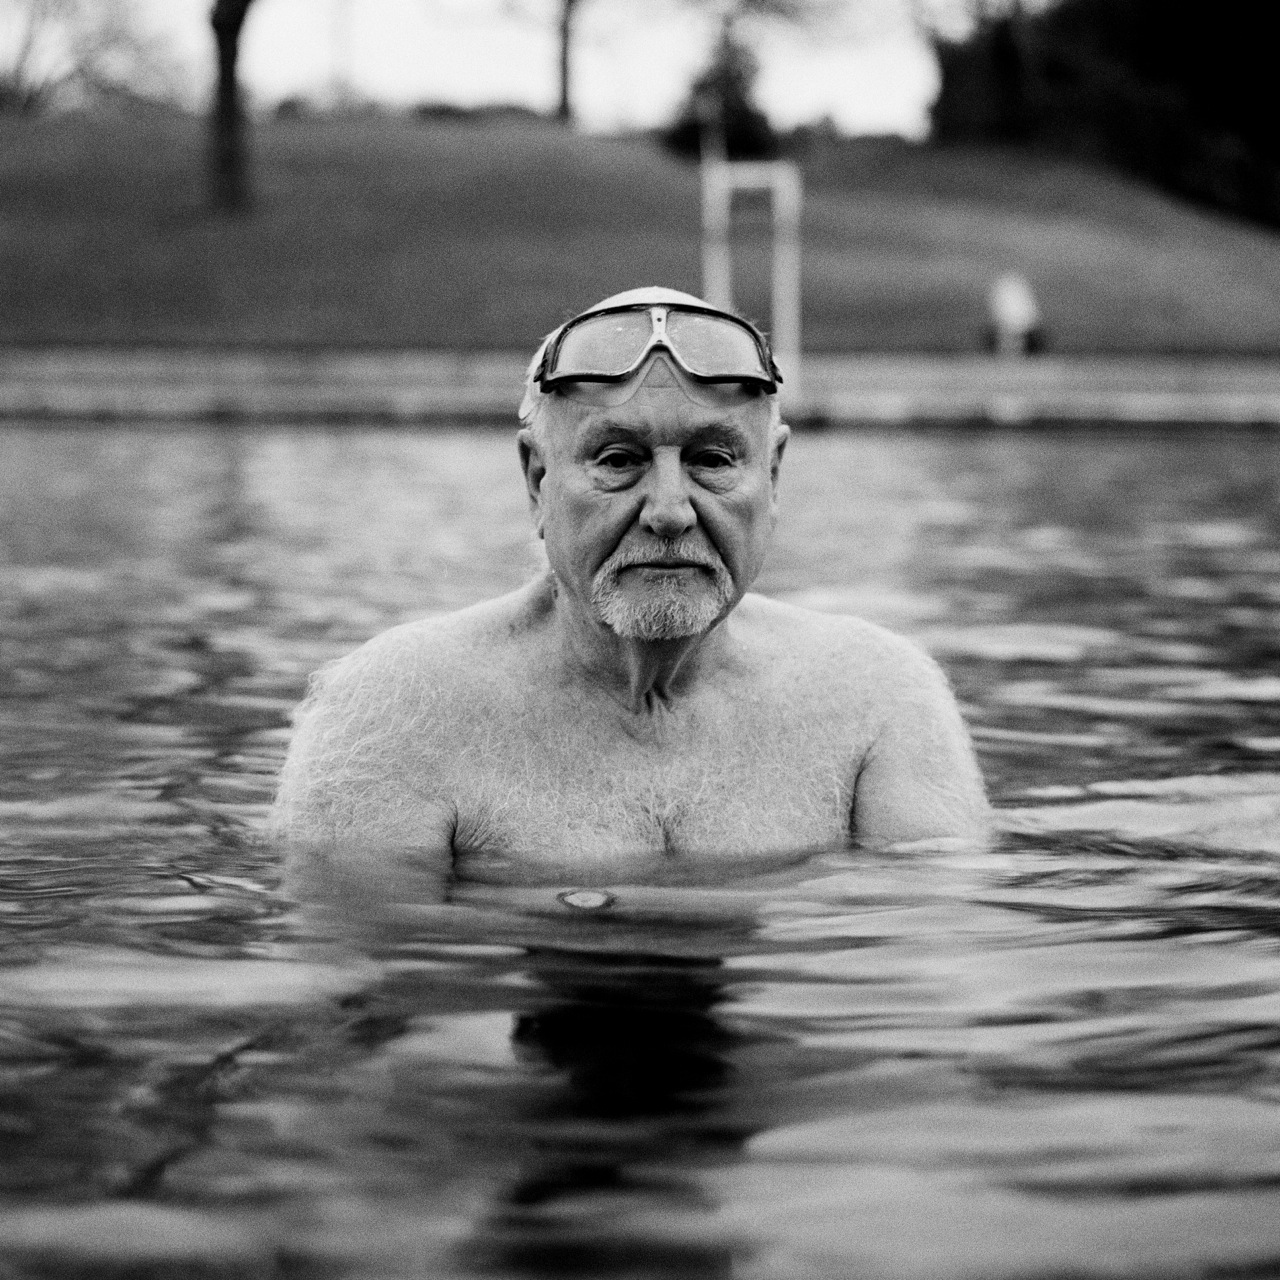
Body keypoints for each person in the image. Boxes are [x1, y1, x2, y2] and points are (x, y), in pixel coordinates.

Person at [271, 287, 988, 905]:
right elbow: (375, 1024)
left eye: (713, 460)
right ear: (536, 482)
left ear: (773, 476)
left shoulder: (878, 701)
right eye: (619, 461)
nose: (670, 510)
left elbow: (918, 996)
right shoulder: (397, 711)